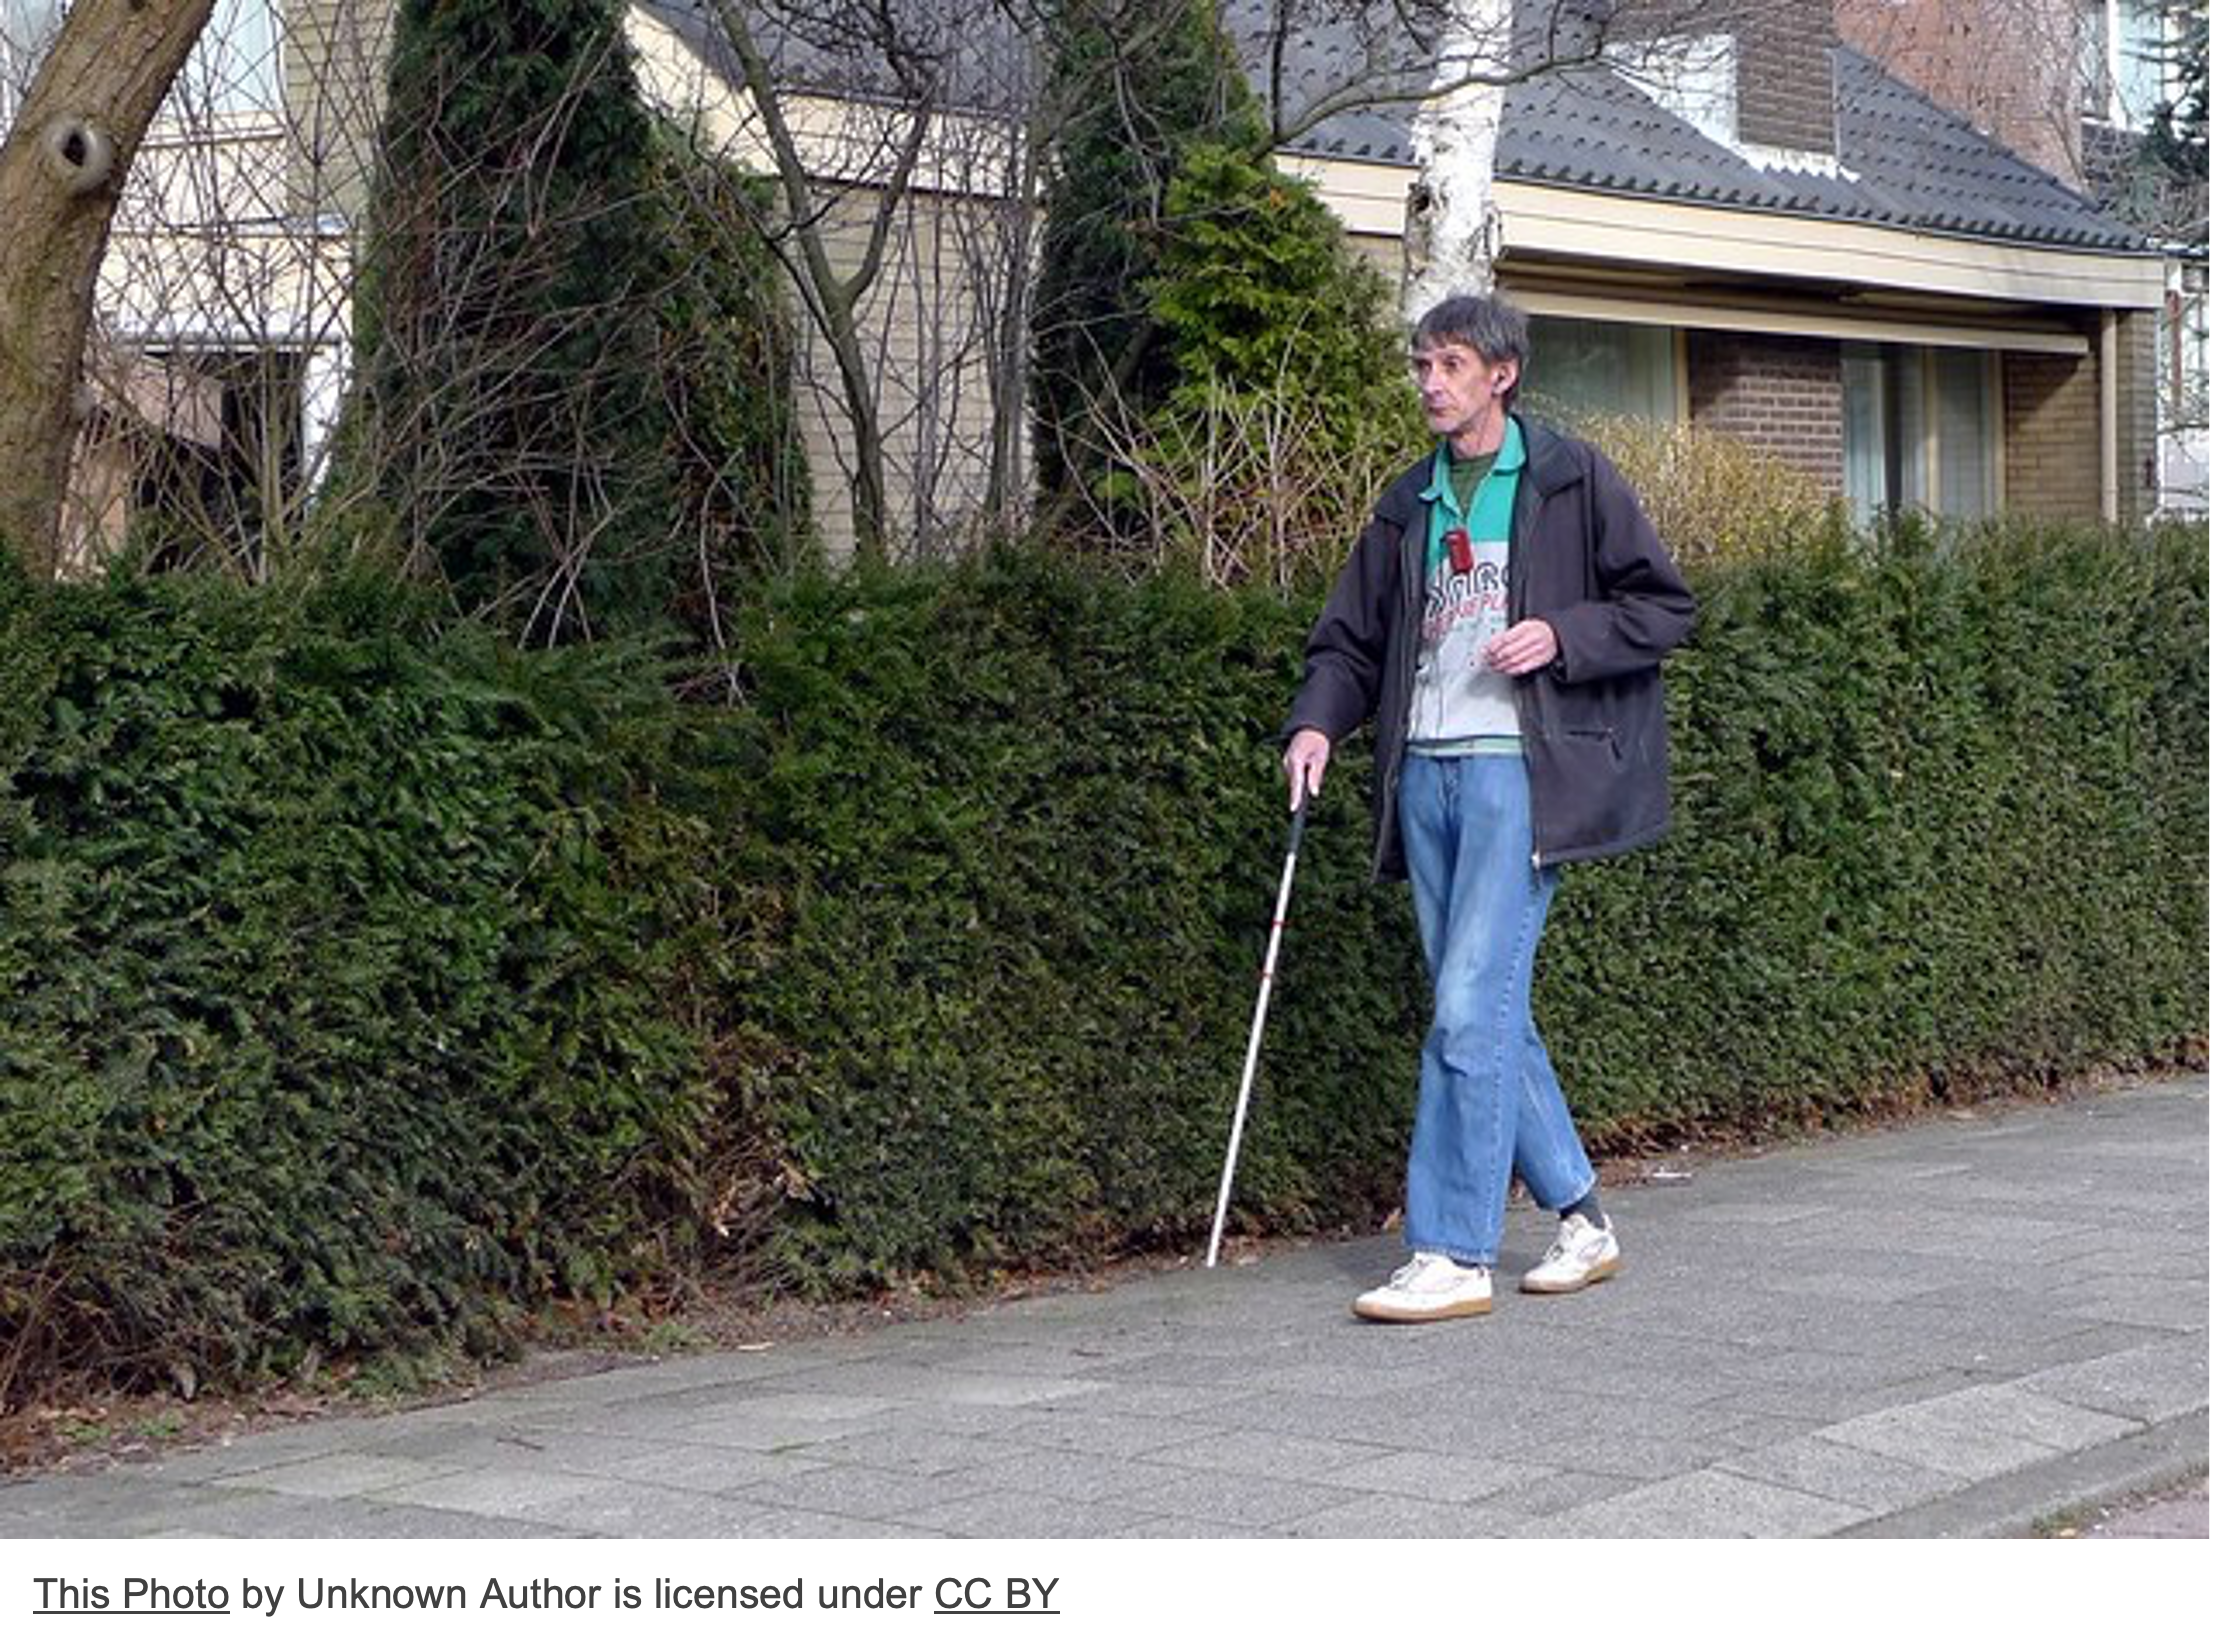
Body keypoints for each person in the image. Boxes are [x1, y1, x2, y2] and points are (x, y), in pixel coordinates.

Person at [1281, 293, 1695, 1323]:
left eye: (1450, 365)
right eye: (1421, 365)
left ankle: (1452, 1250)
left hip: (1520, 773)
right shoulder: (1406, 502)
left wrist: (1560, 635)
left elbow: (1661, 606)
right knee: (1484, 1012)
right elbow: (1348, 641)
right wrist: (1316, 726)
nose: (1429, 382)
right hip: (1421, 773)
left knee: (1467, 1007)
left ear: (1500, 374)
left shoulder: (1567, 477)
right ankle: (1582, 1218)